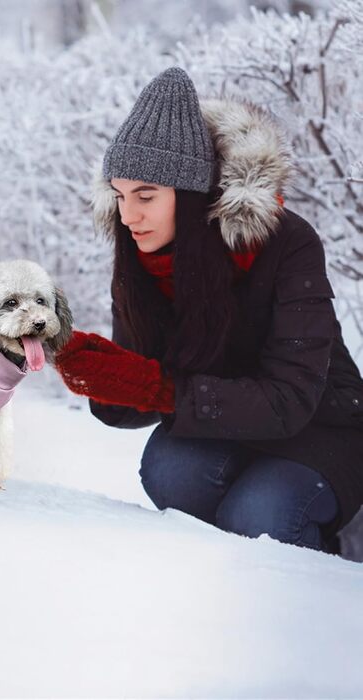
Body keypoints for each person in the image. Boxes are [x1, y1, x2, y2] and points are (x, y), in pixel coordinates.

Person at [54, 67, 363, 554]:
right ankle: (220, 561)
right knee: (169, 472)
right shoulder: (140, 255)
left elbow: (290, 398)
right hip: (223, 421)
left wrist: (158, 388)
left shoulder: (286, 242)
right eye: (120, 195)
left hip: (318, 424)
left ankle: (332, 555)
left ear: (191, 193)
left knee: (261, 515)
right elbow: (144, 388)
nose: (128, 215)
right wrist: (105, 377)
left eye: (146, 196)